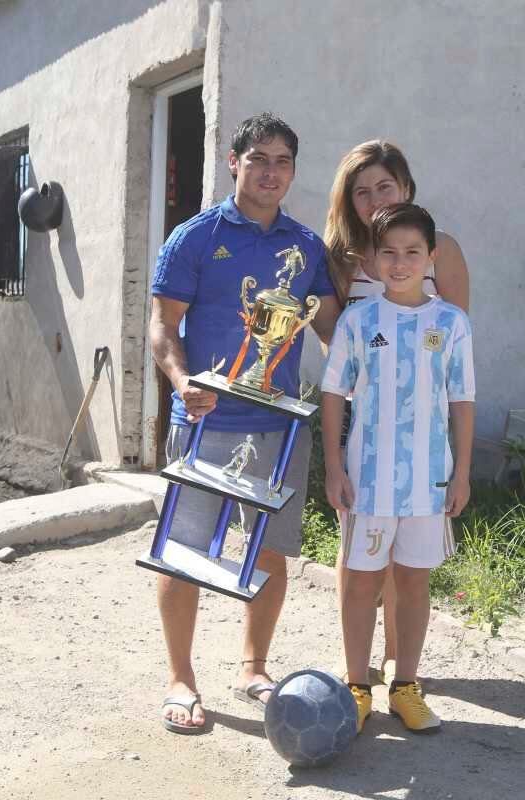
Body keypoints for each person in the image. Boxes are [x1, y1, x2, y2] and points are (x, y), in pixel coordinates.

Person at [148, 112, 341, 734]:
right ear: (234, 162)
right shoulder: (195, 237)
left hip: (278, 430)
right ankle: (181, 676)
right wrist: (183, 383)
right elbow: (162, 326)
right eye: (259, 158)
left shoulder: (307, 247)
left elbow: (336, 330)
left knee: (272, 555)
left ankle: (253, 667)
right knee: (185, 555)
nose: (270, 171)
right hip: (206, 423)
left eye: (283, 161)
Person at [320, 203, 475, 733]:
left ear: (431, 257)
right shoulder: (358, 320)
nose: (401, 262)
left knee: (413, 582)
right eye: (389, 252)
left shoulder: (452, 323)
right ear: (372, 259)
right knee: (362, 583)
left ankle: (405, 686)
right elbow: (334, 394)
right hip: (368, 482)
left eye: (413, 252)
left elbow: (462, 400)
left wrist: (462, 474)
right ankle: (356, 687)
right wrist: (334, 467)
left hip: (429, 485)